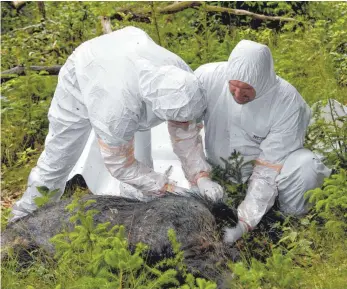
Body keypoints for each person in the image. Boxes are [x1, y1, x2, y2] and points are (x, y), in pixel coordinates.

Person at [10, 26, 224, 222]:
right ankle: (24, 219)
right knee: (59, 158)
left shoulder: (182, 77)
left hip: (130, 56)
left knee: (143, 160)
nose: (181, 123)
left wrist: (200, 177)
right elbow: (120, 164)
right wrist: (168, 187)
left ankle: (138, 212)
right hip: (86, 70)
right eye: (176, 119)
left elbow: (185, 131)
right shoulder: (116, 108)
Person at [194, 40, 332, 244]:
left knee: (306, 166)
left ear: (262, 82)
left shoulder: (287, 103)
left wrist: (243, 223)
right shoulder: (207, 78)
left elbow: (267, 170)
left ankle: (287, 220)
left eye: (247, 89)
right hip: (214, 172)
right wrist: (200, 175)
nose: (238, 95)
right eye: (234, 86)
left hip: (263, 177)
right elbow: (185, 130)